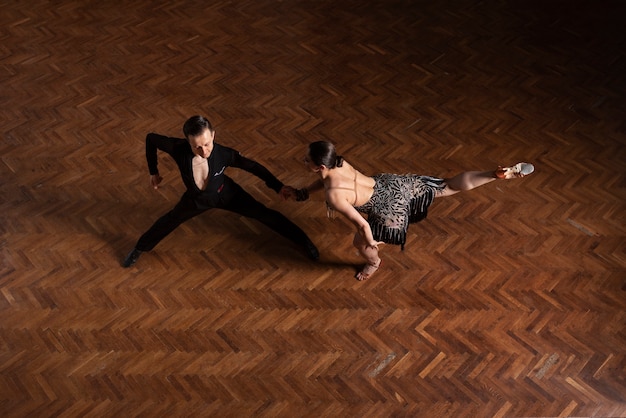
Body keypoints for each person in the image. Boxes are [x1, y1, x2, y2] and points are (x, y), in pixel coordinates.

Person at [288, 141, 534, 280]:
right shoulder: (339, 162)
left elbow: (361, 224)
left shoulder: (334, 194)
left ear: (320, 165)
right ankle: (493, 174)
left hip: (387, 208)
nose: (303, 161)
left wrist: (372, 241)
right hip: (391, 184)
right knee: (447, 185)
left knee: (360, 244)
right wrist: (304, 192)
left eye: (306, 160)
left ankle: (374, 264)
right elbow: (325, 179)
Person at [122, 115, 318, 267]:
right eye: (197, 147)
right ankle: (139, 248)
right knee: (169, 221)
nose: (204, 151)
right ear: (188, 142)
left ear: (213, 135)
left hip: (227, 194)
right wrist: (153, 171)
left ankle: (304, 241)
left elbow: (253, 167)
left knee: (263, 213)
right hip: (196, 199)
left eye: (207, 144)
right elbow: (151, 139)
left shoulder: (224, 154)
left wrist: (277, 186)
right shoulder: (177, 148)